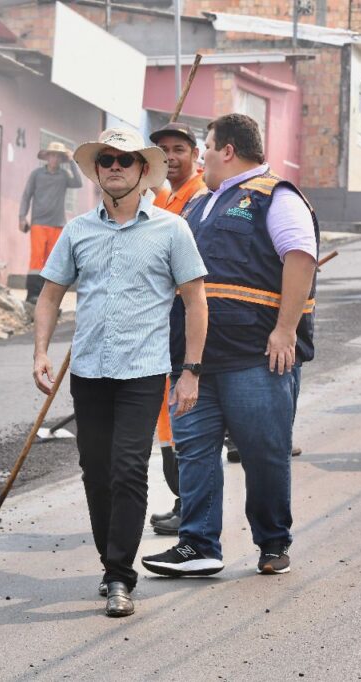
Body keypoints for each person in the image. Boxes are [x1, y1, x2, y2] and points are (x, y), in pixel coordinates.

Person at [32, 128, 208, 617]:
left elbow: (196, 301)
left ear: (141, 171)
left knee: (129, 468)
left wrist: (190, 369)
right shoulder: (78, 230)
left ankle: (118, 574)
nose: (114, 166)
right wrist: (40, 352)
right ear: (98, 170)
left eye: (124, 160)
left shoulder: (171, 230)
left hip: (143, 371)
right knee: (96, 471)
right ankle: (111, 562)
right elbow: (50, 295)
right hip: (88, 372)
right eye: (106, 159)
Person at [141, 113, 318, 579]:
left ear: (228, 150)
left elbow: (300, 258)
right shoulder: (198, 206)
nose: (199, 156)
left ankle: (272, 541)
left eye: (206, 146)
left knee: (263, 451)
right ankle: (198, 544)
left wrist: (284, 330)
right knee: (195, 450)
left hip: (256, 357)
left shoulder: (274, 195)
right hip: (195, 360)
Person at [145, 122, 207, 537]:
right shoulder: (166, 199)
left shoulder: (201, 201)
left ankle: (191, 506)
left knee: (183, 413)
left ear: (196, 155)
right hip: (161, 321)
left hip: (185, 319)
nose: (170, 156)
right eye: (162, 150)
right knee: (167, 417)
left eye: (179, 148)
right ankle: (184, 501)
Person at [19, 141, 83, 304]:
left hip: (58, 224)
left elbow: (78, 182)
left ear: (61, 159)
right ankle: (32, 294)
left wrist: (71, 161)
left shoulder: (64, 176)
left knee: (52, 261)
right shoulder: (37, 174)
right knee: (36, 259)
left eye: (58, 156)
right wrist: (21, 217)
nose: (54, 159)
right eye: (52, 155)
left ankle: (46, 297)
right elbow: (26, 195)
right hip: (38, 222)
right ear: (47, 157)